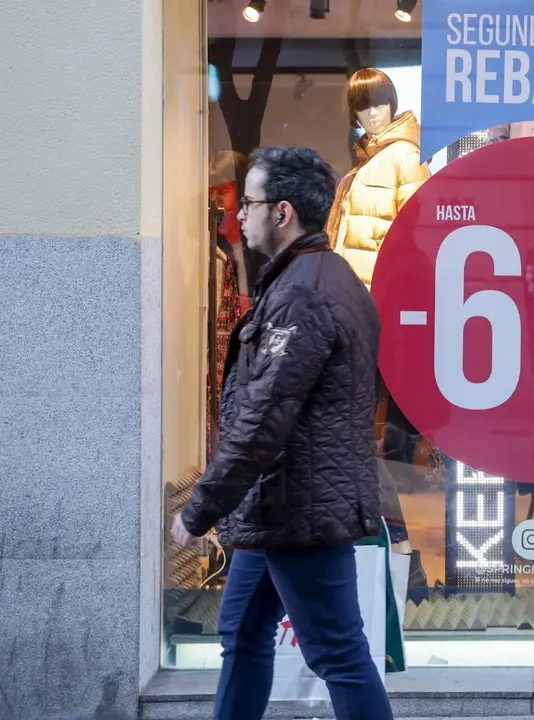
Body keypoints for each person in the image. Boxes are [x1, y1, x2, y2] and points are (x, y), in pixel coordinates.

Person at [170, 146, 393, 720]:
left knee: (338, 654)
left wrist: (199, 510)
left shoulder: (303, 293)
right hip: (279, 508)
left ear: (283, 212)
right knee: (241, 634)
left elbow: (264, 416)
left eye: (248, 203)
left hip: (299, 510)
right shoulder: (318, 277)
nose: (237, 216)